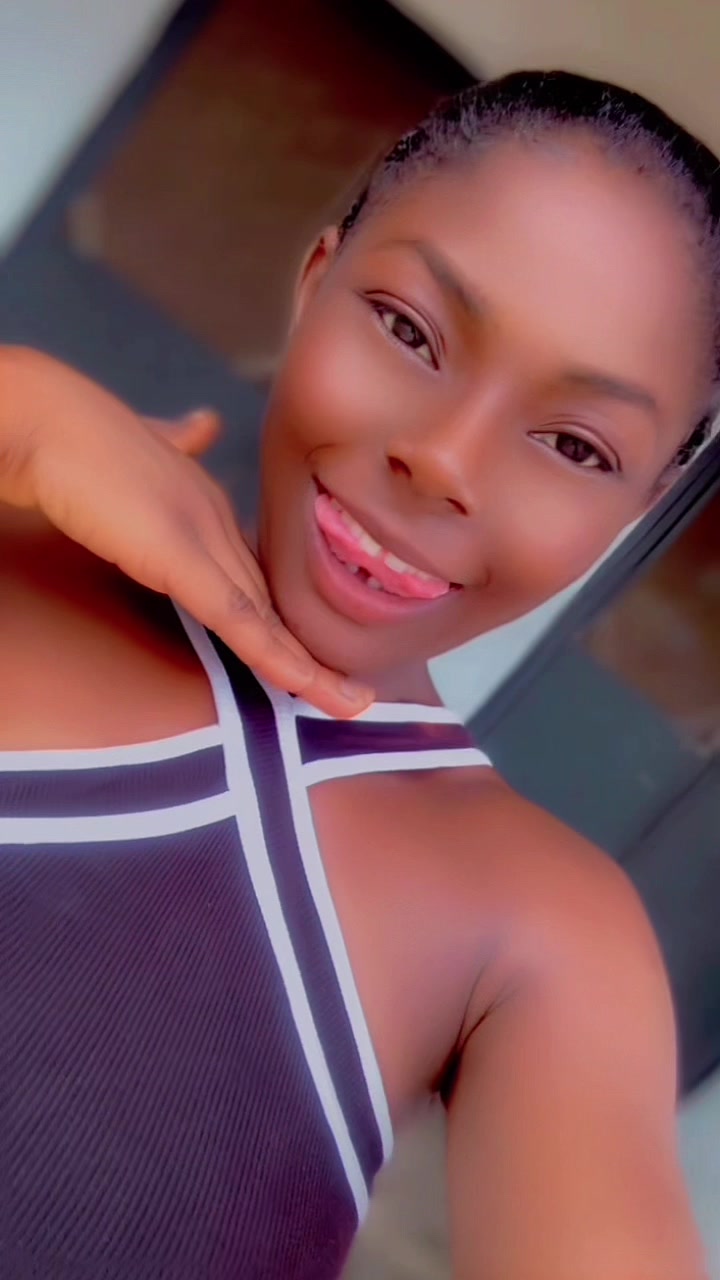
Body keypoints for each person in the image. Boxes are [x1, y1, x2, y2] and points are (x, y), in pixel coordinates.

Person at [0, 69, 716, 1279]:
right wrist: (17, 406)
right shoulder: (23, 533)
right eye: (409, 329)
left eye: (575, 444)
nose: (444, 459)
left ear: (638, 511)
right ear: (315, 276)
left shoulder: (540, 931)